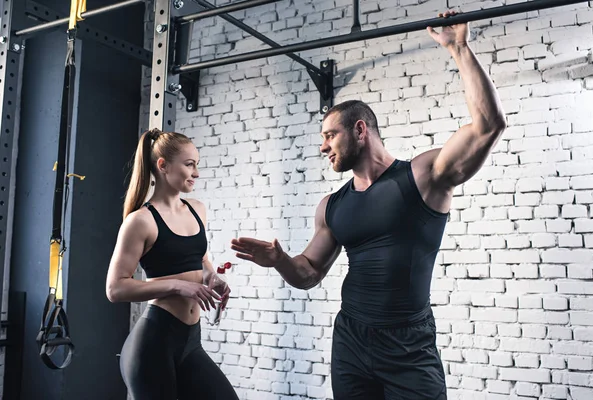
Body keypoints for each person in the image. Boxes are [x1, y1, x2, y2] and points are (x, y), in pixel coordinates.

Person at [231, 11, 506, 400]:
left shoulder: (422, 177)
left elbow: (488, 127)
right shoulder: (332, 205)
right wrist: (279, 259)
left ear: (360, 129)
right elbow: (308, 273)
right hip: (351, 343)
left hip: (409, 346)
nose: (322, 146)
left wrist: (459, 49)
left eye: (330, 135)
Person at [106, 128, 239, 400]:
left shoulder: (197, 209)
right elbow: (115, 289)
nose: (196, 173)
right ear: (163, 166)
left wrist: (212, 278)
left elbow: (200, 260)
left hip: (191, 341)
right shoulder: (140, 221)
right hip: (154, 344)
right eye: (189, 165)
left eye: (197, 165)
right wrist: (179, 286)